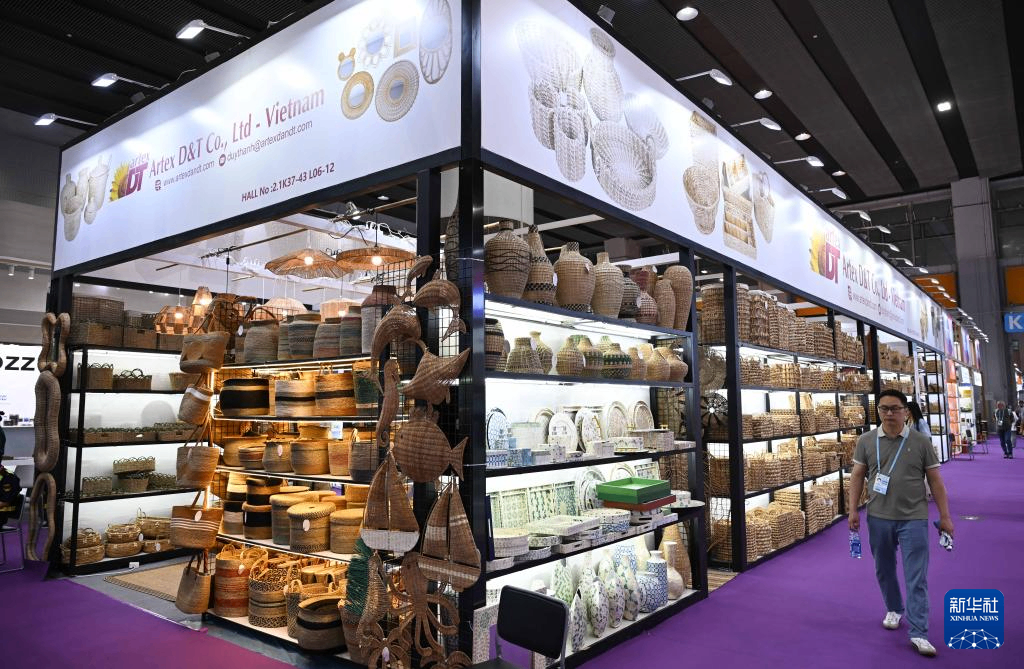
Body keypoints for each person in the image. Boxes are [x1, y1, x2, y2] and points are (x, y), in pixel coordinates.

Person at [848, 389, 953, 657]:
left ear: (906, 411)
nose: (889, 413)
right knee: (884, 569)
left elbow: (936, 481)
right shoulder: (867, 441)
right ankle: (894, 608)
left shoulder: (921, 442)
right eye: (883, 409)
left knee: (916, 575)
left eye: (895, 408)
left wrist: (945, 516)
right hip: (878, 517)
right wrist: (852, 510)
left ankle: (919, 632)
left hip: (913, 518)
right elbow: (857, 476)